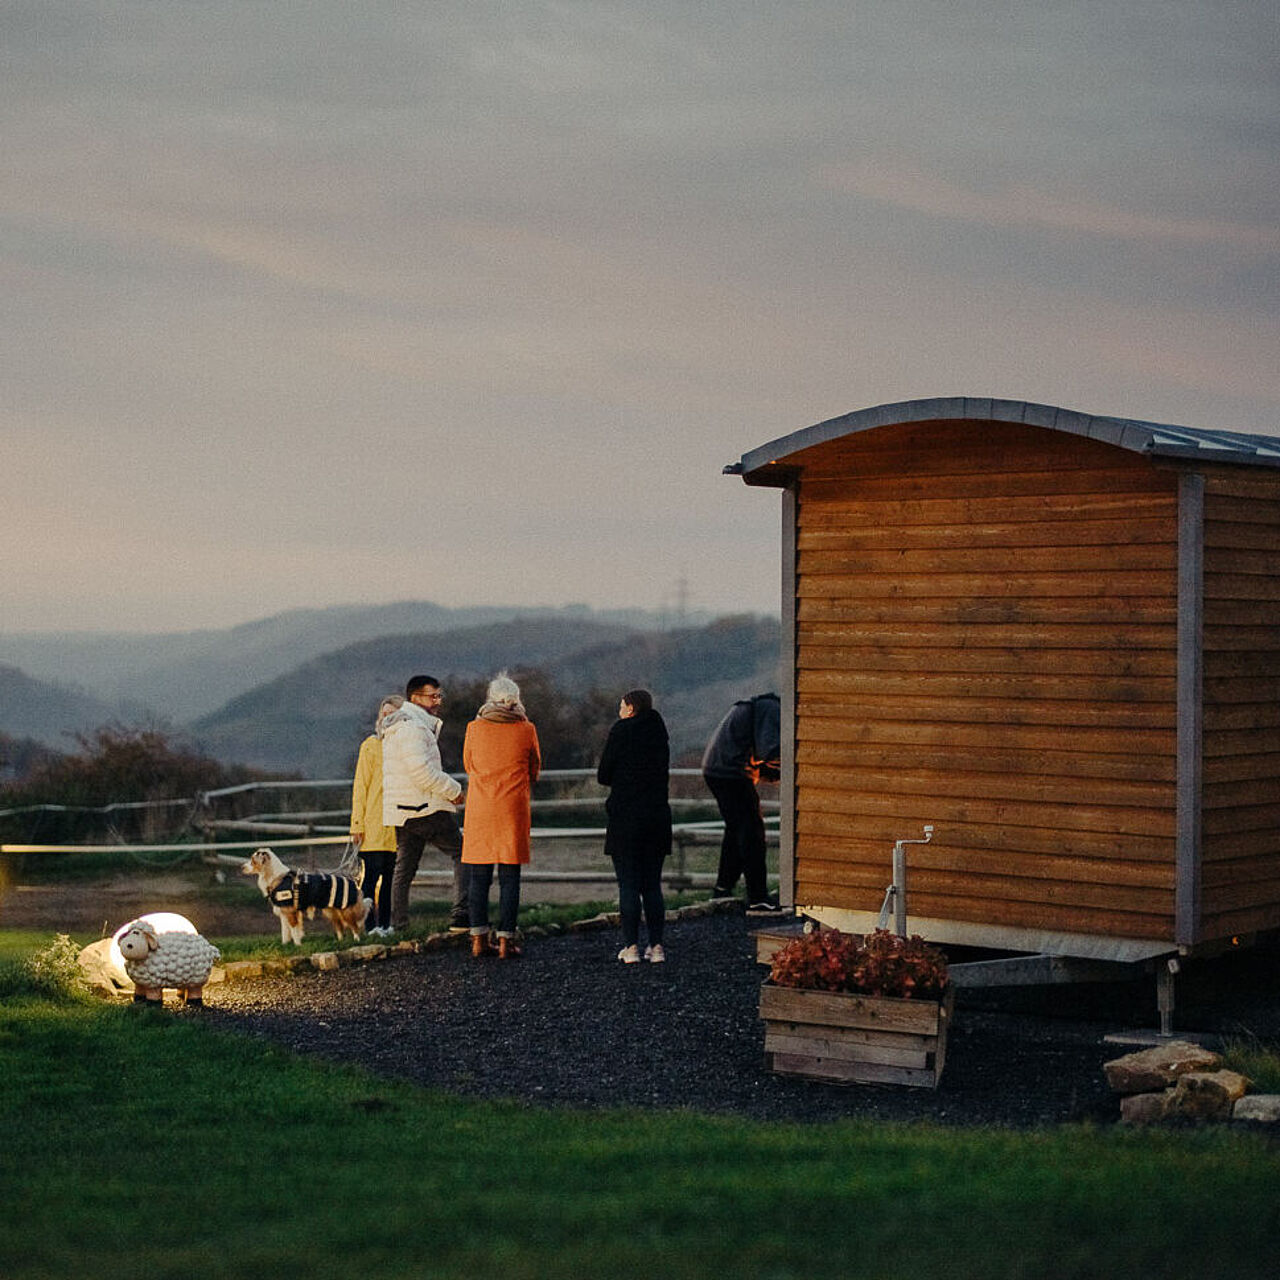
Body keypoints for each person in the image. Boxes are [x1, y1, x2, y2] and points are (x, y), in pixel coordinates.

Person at [461, 673, 541, 960]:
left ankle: (478, 939)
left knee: (478, 877)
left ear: (489, 699)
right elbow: (535, 769)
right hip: (512, 808)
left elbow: (469, 765)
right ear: (516, 700)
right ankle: (506, 941)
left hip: (481, 808)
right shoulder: (526, 729)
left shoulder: (474, 728)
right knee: (510, 877)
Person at [382, 674, 468, 934]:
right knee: (463, 853)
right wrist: (453, 790)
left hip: (402, 810)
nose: (438, 701)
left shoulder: (398, 726)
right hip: (422, 807)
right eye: (434, 696)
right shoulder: (414, 729)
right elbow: (421, 772)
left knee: (405, 867)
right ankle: (462, 916)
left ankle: (399, 926)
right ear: (415, 698)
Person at [597, 688, 672, 964]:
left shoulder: (621, 732)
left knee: (628, 884)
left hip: (625, 819)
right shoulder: (660, 734)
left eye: (621, 706)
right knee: (652, 885)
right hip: (657, 817)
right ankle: (657, 947)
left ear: (630, 708)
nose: (619, 711)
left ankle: (630, 948)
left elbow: (603, 775)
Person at [701, 692, 783, 914]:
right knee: (752, 833)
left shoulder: (760, 705)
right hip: (731, 771)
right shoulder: (773, 709)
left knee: (736, 830)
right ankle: (757, 897)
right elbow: (772, 750)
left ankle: (722, 889)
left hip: (717, 768)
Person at [348, 694, 403, 936]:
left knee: (390, 878)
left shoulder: (403, 748)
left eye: (393, 713)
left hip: (396, 824)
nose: (387, 716)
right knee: (370, 876)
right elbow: (361, 786)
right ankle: (369, 926)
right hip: (373, 822)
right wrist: (357, 823)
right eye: (384, 713)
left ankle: (386, 925)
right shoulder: (370, 746)